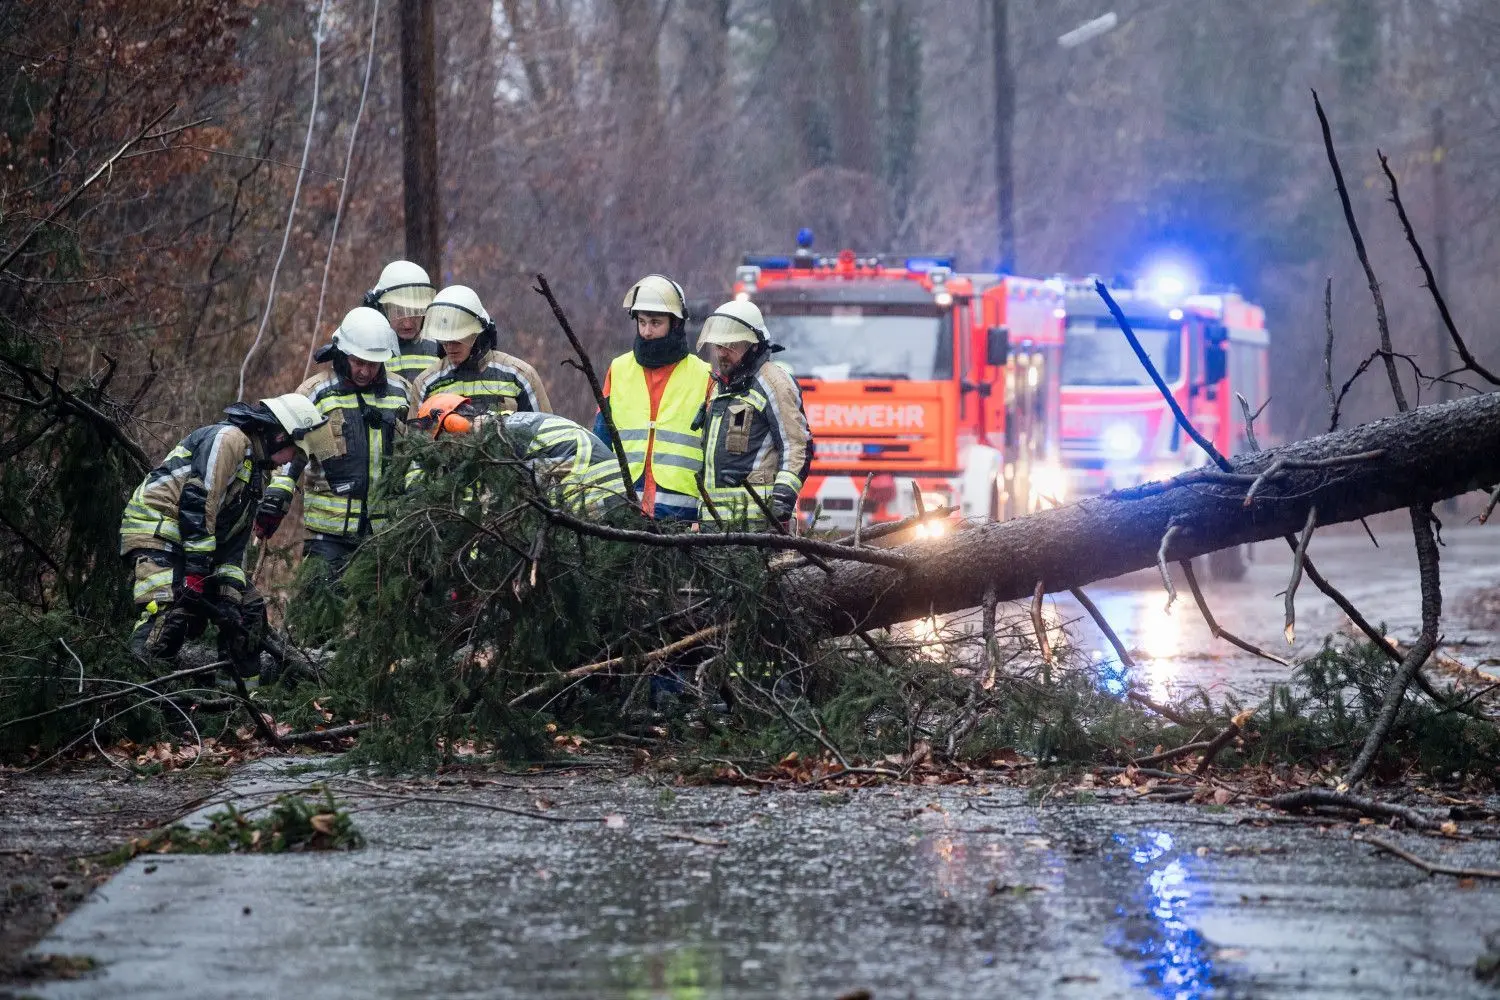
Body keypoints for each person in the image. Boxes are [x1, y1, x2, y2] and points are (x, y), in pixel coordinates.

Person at [120, 393, 336, 675]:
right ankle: (137, 697)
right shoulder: (229, 440)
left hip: (192, 546)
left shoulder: (257, 472)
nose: (290, 462)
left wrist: (229, 595)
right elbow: (198, 502)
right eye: (295, 453)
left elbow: (233, 542)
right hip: (158, 535)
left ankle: (236, 704)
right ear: (280, 436)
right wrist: (197, 573)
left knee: (248, 612)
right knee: (168, 617)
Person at [257, 307, 414, 577]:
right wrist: (277, 494)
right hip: (328, 533)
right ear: (343, 354)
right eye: (358, 362)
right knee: (320, 612)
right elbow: (291, 452)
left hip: (385, 529)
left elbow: (415, 451)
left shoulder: (401, 393)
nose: (365, 371)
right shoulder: (316, 393)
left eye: (373, 364)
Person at [597, 274, 713, 520]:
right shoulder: (618, 370)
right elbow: (600, 441)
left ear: (676, 324)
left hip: (682, 518)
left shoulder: (705, 376)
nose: (647, 331)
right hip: (623, 511)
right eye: (642, 322)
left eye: (655, 323)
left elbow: (714, 457)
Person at [696, 299, 813, 526]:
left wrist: (782, 499)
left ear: (755, 346)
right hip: (714, 527)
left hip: (760, 526)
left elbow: (797, 444)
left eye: (732, 346)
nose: (722, 353)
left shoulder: (774, 382)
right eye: (719, 346)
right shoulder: (718, 386)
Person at [412, 393, 624, 510]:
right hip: (604, 484)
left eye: (446, 445)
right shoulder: (504, 427)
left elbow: (497, 506)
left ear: (456, 426)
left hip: (597, 486)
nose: (449, 456)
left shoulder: (499, 442)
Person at [410, 285, 551, 416]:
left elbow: (544, 434)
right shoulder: (426, 384)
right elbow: (413, 440)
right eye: (444, 340)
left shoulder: (519, 377)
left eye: (457, 338)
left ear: (477, 334)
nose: (450, 346)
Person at [364, 260, 439, 382]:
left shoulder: (443, 347)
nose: (407, 324)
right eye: (398, 312)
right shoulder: (366, 349)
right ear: (381, 310)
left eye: (415, 312)